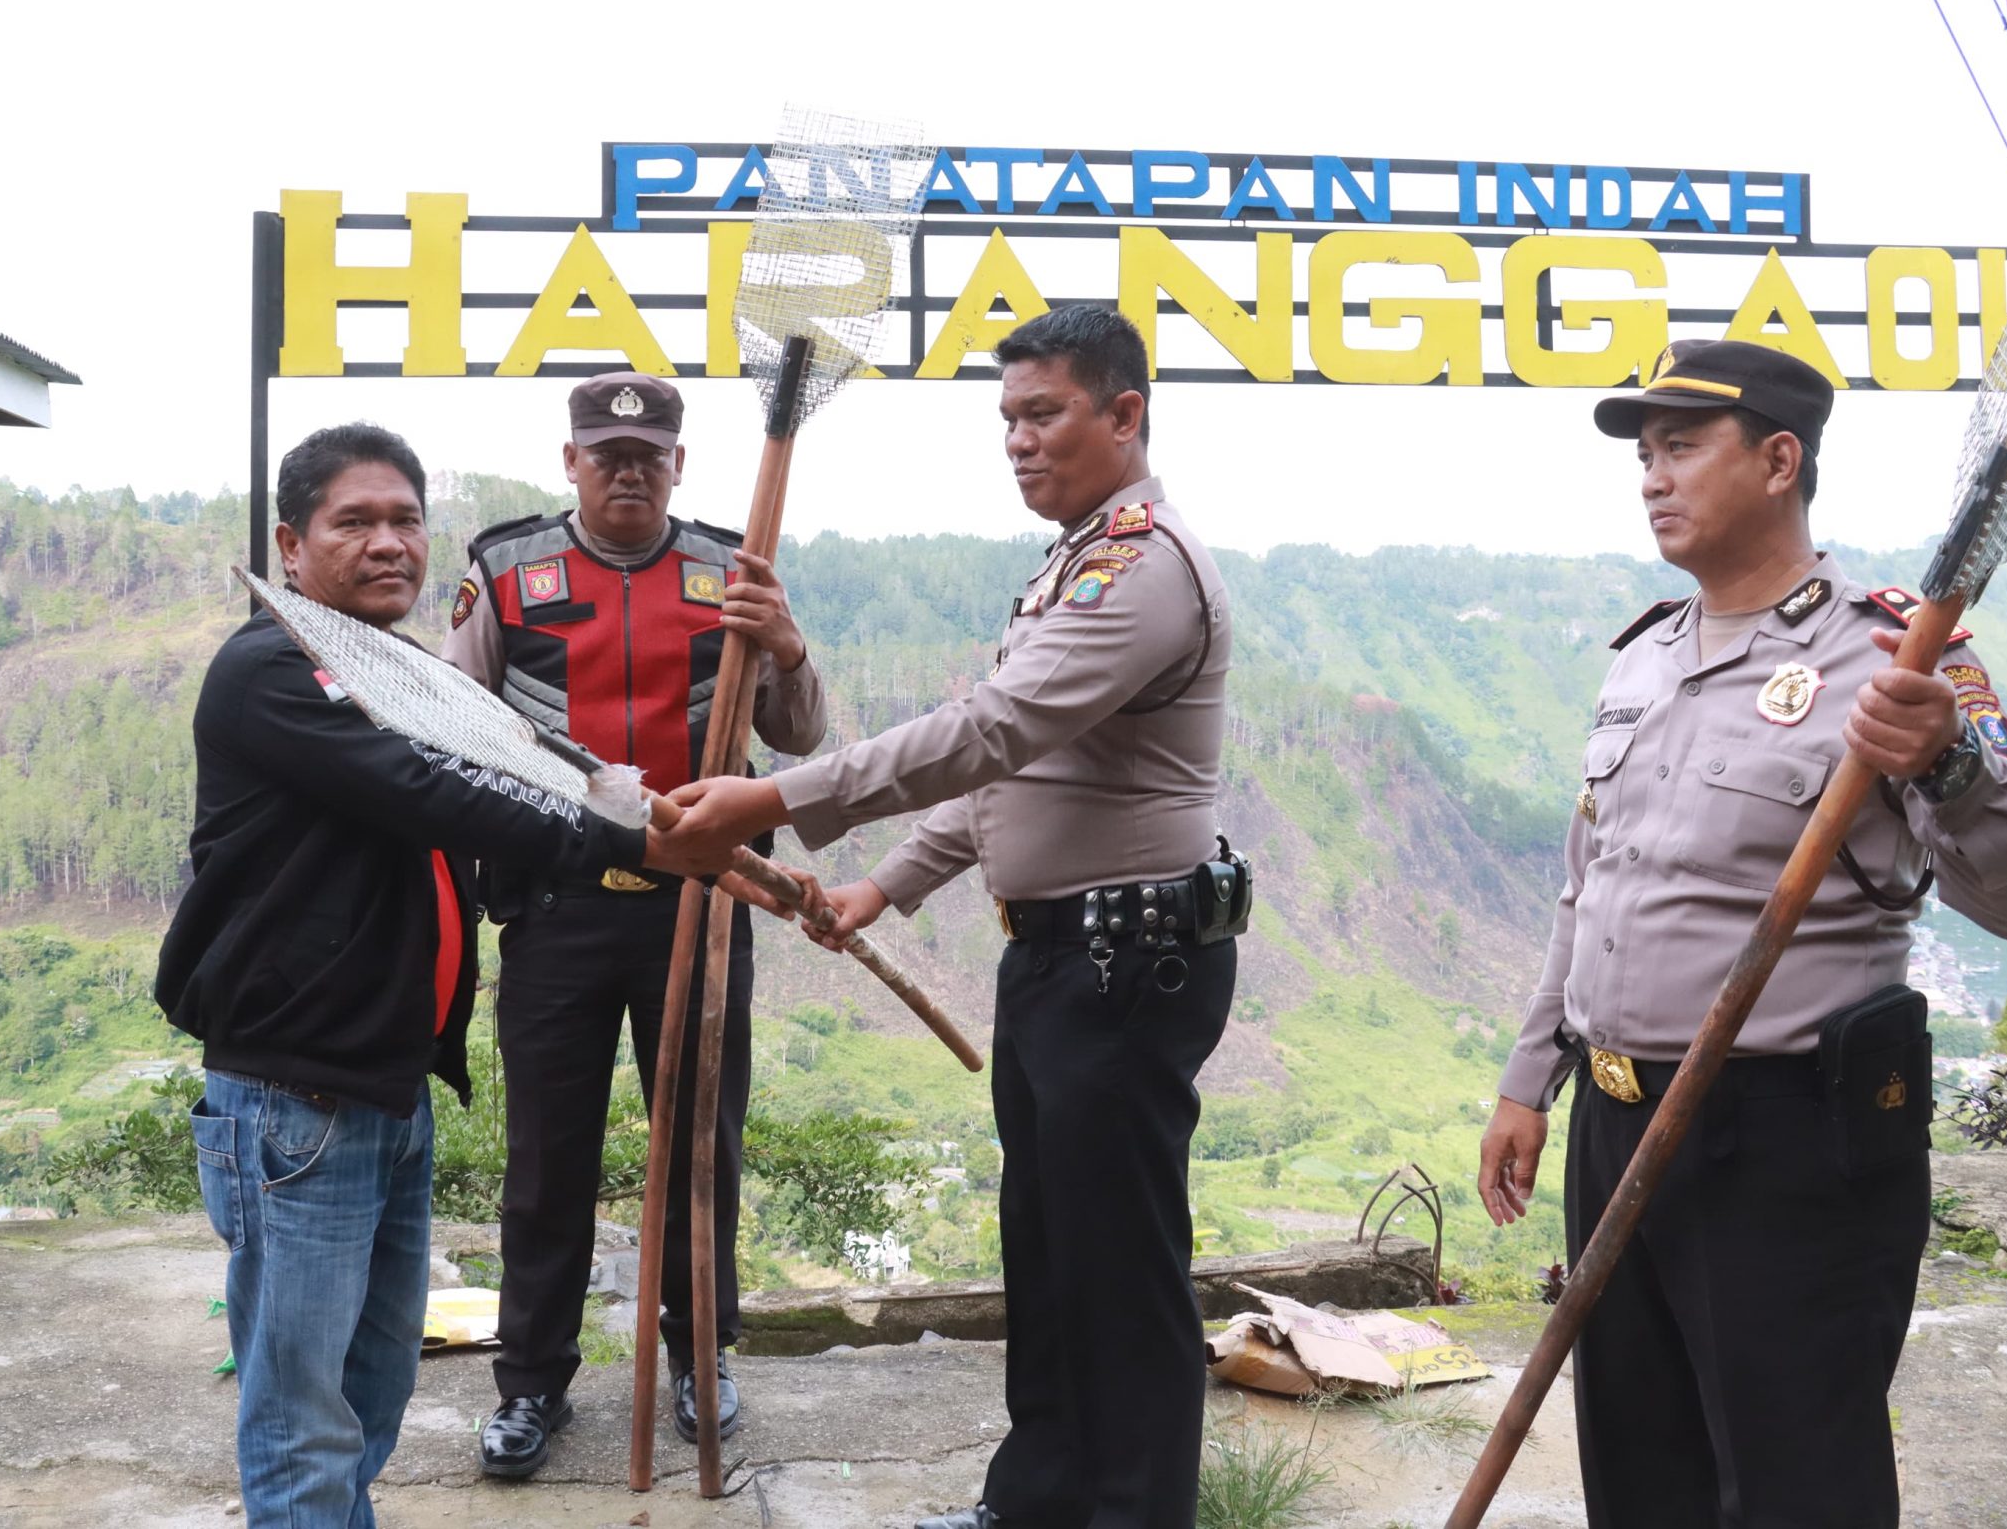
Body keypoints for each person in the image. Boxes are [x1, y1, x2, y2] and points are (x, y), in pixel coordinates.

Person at [1475, 339, 2007, 1529]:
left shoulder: (1897, 655)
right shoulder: (1643, 660)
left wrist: (1947, 761)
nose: (1651, 475)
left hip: (1786, 1138)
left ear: (1778, 459)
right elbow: (1586, 888)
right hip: (1615, 1119)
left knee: (1798, 1478)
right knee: (1642, 1474)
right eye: (1642, 454)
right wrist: (1528, 1081)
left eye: (1681, 446)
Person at [667, 305, 1242, 1529]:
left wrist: (775, 795)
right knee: (1048, 1257)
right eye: (1008, 421)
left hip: (1129, 967)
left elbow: (992, 732)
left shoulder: (1143, 567)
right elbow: (1013, 777)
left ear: (1124, 413)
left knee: (1121, 1276)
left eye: (1044, 415)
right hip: (1061, 963)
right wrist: (887, 884)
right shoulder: (1075, 559)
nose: (1018, 444)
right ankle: (1033, 1506)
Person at [155, 423, 729, 1529]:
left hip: (385, 1094)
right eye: (353, 522)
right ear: (290, 542)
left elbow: (527, 755)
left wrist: (651, 810)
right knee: (301, 1417)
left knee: (371, 1394)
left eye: (406, 520)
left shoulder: (397, 666)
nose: (387, 544)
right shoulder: (273, 669)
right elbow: (440, 790)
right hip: (295, 1101)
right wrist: (639, 845)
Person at [439, 372, 826, 1478]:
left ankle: (700, 1359)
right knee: (546, 1158)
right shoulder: (507, 570)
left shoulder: (729, 570)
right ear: (569, 462)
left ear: (677, 464)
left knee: (701, 1146)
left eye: (647, 453)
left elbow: (801, 735)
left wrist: (786, 643)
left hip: (701, 910)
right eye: (605, 453)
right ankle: (532, 1387)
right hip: (555, 906)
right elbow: (457, 734)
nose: (626, 470)